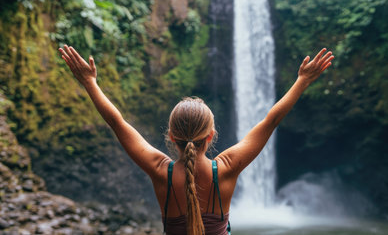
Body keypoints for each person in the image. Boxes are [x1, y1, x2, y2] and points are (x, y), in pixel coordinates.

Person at [58, 45, 333, 235]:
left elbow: (117, 122)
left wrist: (90, 82)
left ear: (172, 136)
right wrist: (302, 81)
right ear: (211, 136)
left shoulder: (159, 171)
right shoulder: (226, 168)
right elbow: (270, 121)